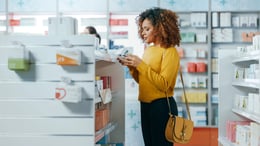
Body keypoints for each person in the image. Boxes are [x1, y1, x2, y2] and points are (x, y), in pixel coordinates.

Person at [117, 7, 181, 146]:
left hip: (162, 106)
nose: (142, 33)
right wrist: (131, 66)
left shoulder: (170, 51)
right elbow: (144, 81)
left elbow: (164, 84)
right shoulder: (149, 50)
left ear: (159, 28)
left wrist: (140, 64)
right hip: (146, 105)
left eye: (147, 29)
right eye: (142, 29)